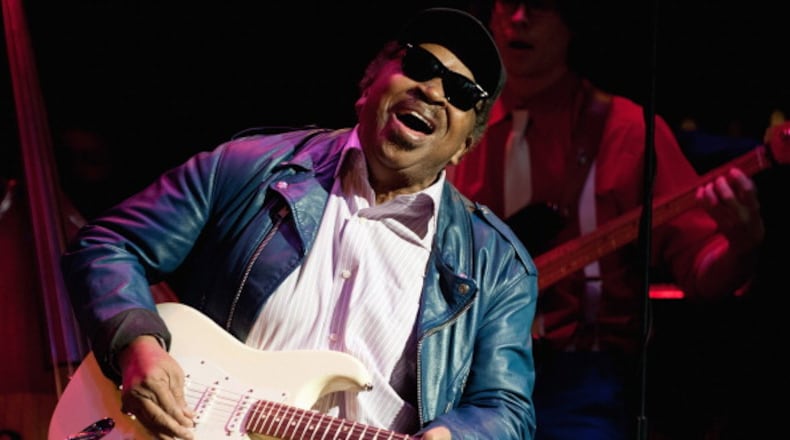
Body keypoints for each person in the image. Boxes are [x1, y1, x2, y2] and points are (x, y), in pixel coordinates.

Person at [60, 7, 538, 440]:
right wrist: (137, 344)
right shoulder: (247, 167)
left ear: (465, 145)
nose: (432, 90)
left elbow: (505, 409)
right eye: (420, 66)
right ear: (370, 81)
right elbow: (107, 243)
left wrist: (455, 436)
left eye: (460, 92)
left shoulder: (498, 265)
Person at [447, 1, 765, 439]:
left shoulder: (627, 129)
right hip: (459, 368)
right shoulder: (451, 121)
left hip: (581, 378)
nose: (519, 18)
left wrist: (741, 245)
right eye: (508, 2)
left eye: (538, 5)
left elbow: (702, 272)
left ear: (572, 19)